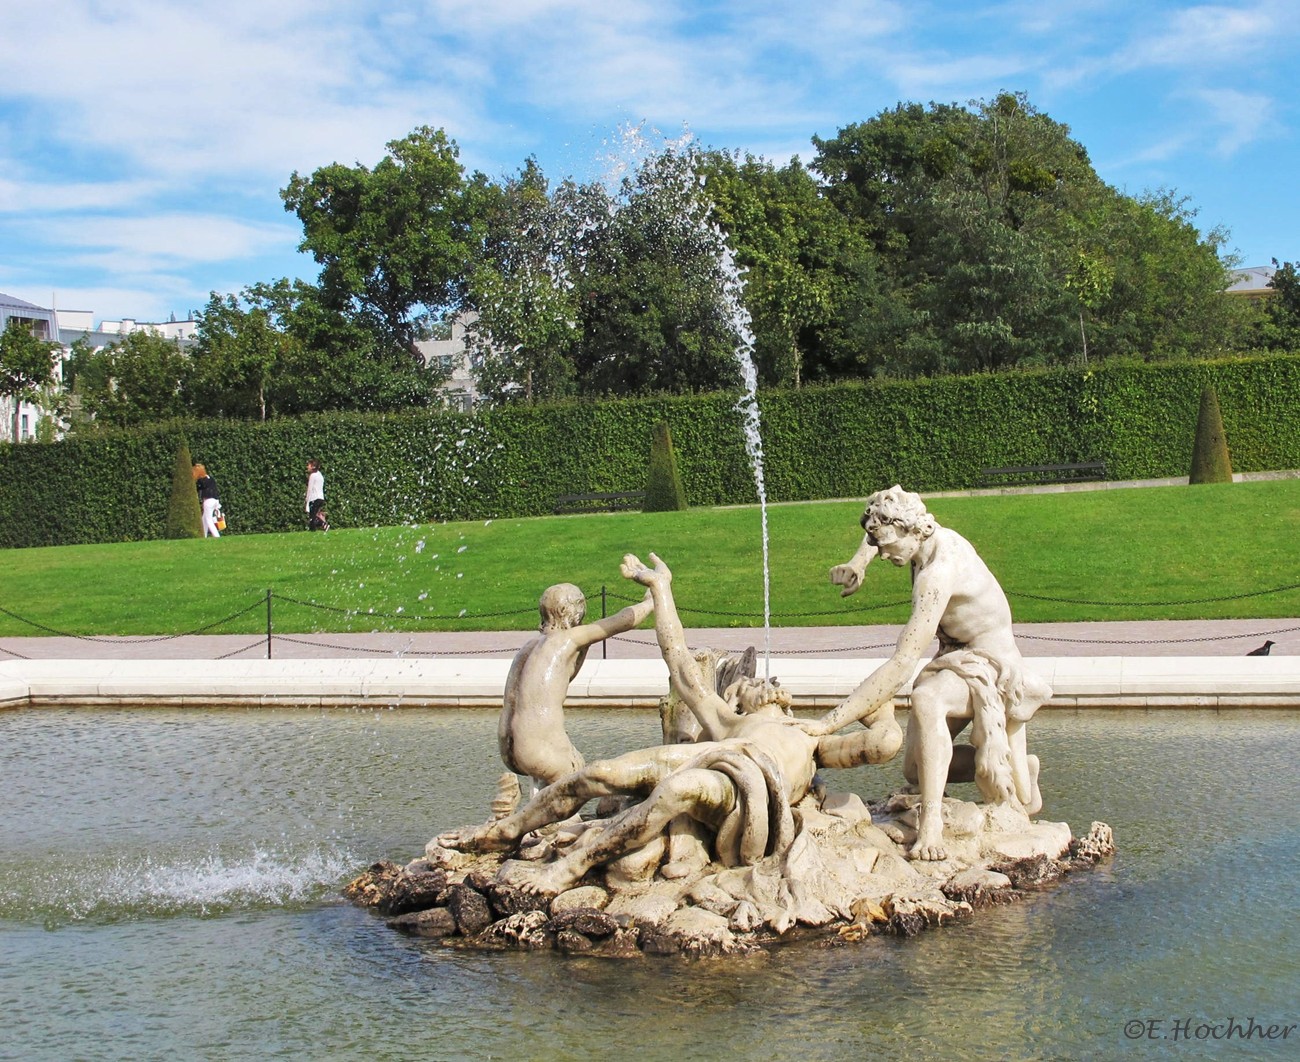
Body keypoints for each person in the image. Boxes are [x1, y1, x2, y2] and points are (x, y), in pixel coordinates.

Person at [439, 552, 902, 897]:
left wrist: (880, 700)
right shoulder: (726, 721)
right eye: (751, 685)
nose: (764, 684)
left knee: (678, 791)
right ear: (737, 699)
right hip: (717, 756)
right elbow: (679, 661)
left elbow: (881, 746)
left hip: (746, 781)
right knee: (600, 772)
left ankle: (571, 867)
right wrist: (661, 590)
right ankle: (505, 831)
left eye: (767, 684)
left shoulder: (813, 736)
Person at [800, 485, 1051, 861]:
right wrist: (858, 564)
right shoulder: (917, 534)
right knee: (916, 769)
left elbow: (902, 664)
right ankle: (1020, 775)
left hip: (991, 664)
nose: (883, 553)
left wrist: (829, 723)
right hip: (954, 654)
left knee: (926, 698)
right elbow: (878, 530)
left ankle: (931, 824)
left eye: (886, 545)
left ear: (913, 531)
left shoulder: (938, 573)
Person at [499, 582, 655, 793]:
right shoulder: (567, 639)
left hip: (507, 746)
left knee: (559, 780)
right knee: (577, 778)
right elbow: (623, 621)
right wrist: (651, 600)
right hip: (536, 749)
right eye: (580, 604)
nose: (583, 611)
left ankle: (536, 817)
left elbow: (563, 677)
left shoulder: (530, 647)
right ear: (565, 610)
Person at [193, 463, 221, 538]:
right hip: (215, 500)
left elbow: (197, 489)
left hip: (208, 501)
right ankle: (204, 536)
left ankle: (216, 536)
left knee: (209, 520)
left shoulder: (201, 481)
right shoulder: (210, 478)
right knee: (204, 520)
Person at [304, 459, 327, 530]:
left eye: (309, 465)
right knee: (314, 516)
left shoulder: (313, 476)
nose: (307, 467)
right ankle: (315, 529)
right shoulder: (320, 475)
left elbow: (310, 489)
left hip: (314, 498)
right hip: (320, 497)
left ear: (313, 466)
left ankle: (323, 524)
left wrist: (307, 500)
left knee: (312, 517)